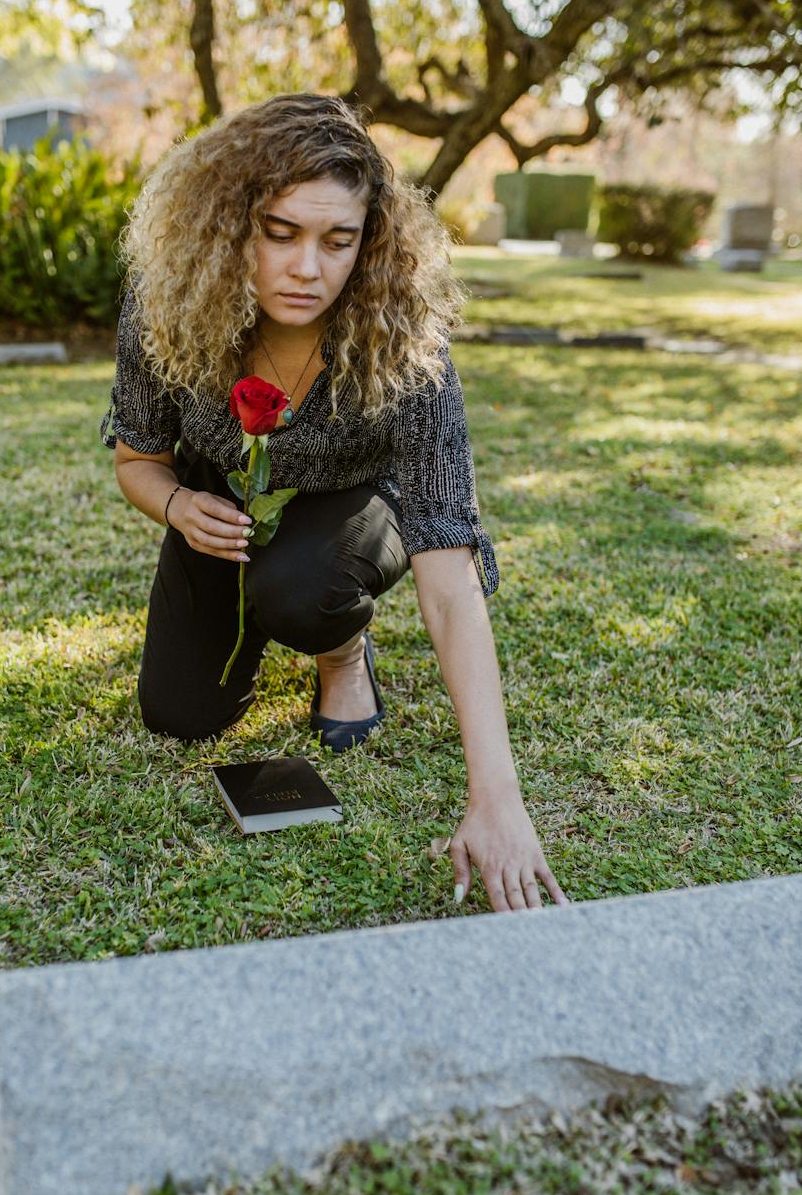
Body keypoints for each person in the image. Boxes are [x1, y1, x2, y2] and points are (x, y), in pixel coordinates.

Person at [101, 92, 569, 913]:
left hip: (359, 506)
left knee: (302, 587)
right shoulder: (166, 305)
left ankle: (342, 654)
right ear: (228, 223)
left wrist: (498, 798)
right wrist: (177, 508)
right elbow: (139, 459)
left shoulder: (403, 333)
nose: (306, 268)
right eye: (278, 233)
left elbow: (449, 570)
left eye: (337, 240)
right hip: (225, 510)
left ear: (370, 242)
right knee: (182, 713)